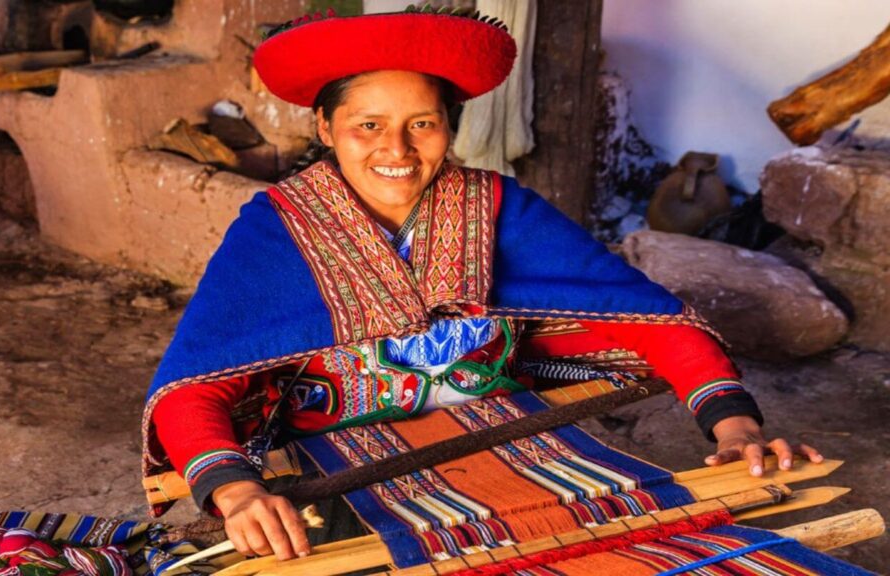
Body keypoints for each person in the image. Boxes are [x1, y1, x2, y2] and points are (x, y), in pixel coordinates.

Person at [142, 7, 823, 564]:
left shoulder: (498, 207)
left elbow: (645, 318)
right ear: (326, 127)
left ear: (449, 127)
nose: (397, 151)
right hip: (348, 461)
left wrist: (734, 426)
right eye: (367, 126)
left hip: (512, 440)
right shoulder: (277, 230)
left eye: (423, 125)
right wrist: (235, 491)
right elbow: (196, 385)